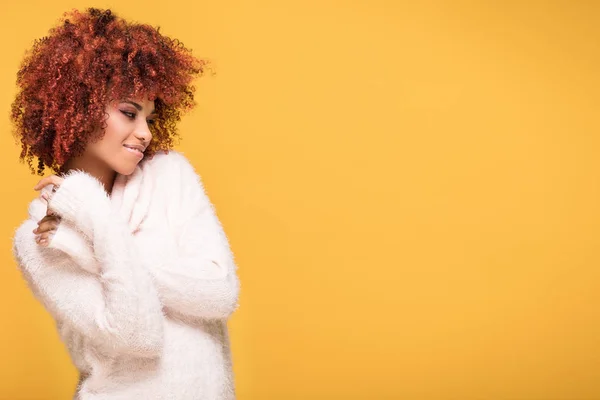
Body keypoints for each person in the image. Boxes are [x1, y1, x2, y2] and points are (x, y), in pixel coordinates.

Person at [10, 7, 240, 400]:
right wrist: (92, 209)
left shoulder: (171, 175)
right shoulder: (40, 238)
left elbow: (220, 294)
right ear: (78, 108)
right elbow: (137, 336)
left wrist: (95, 243)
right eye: (129, 113)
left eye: (150, 117)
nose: (145, 133)